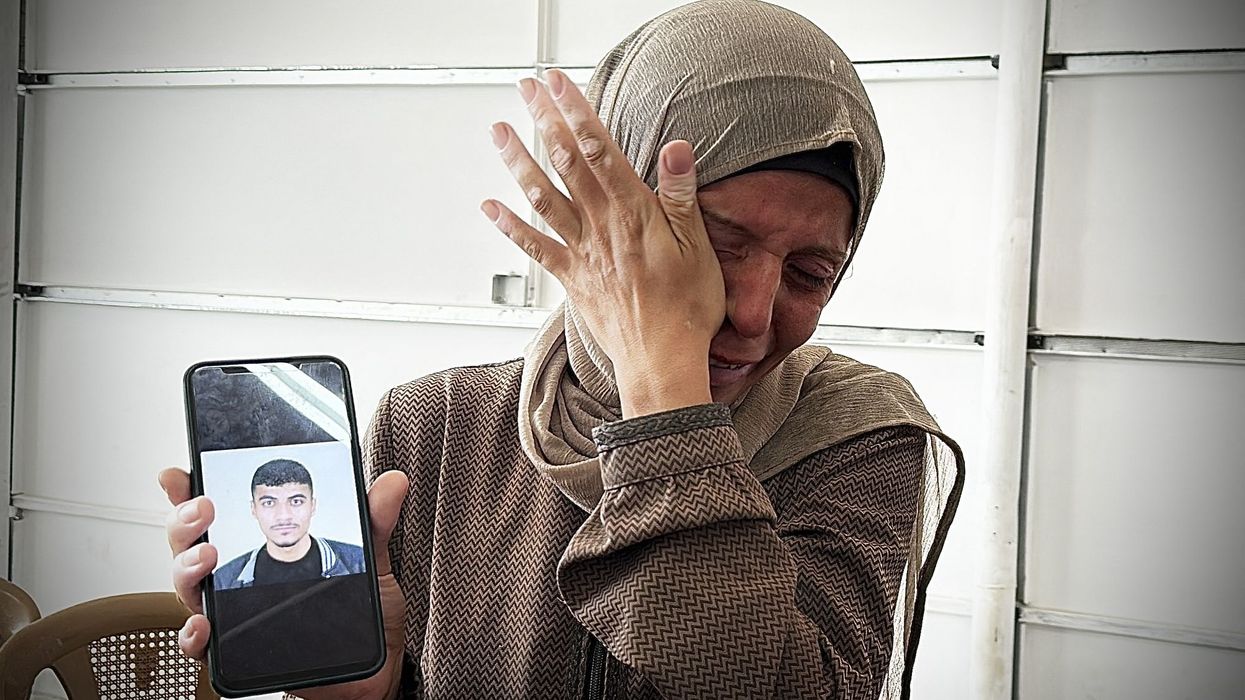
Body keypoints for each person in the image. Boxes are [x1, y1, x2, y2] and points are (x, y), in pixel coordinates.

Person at [161, 1, 964, 698]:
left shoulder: (858, 435)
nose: (753, 315)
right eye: (712, 248)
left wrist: (663, 390)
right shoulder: (435, 427)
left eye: (809, 273)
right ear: (596, 220)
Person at [213, 458, 365, 590]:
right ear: (254, 509)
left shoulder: (360, 563)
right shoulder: (224, 580)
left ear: (313, 506)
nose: (283, 516)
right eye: (269, 503)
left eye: (296, 501)